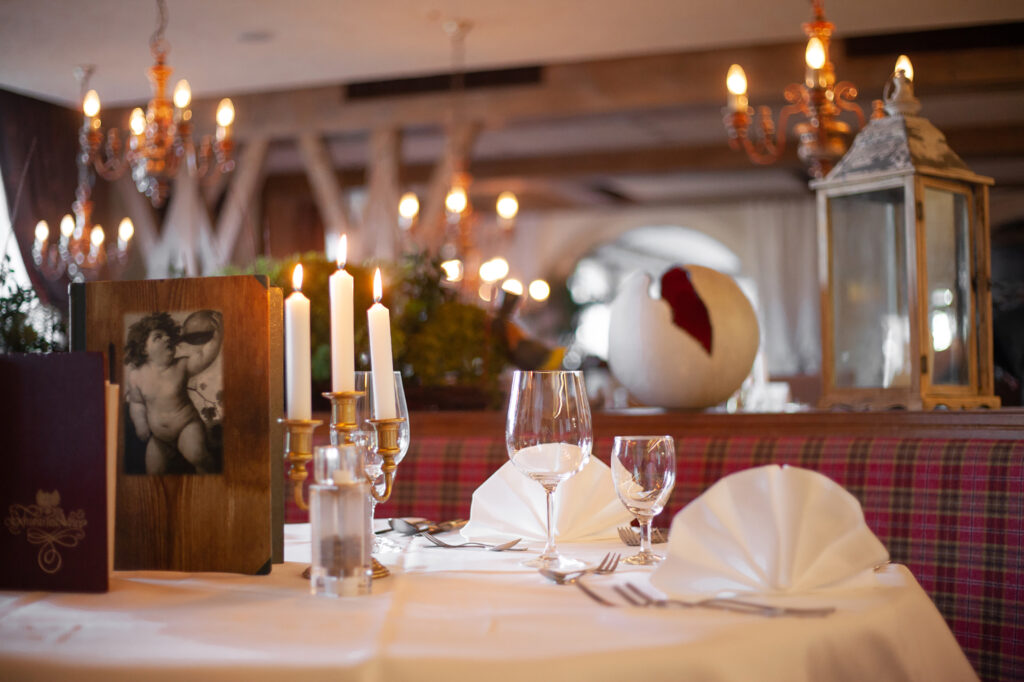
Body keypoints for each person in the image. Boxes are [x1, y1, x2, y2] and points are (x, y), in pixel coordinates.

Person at [123, 310, 223, 474]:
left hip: (186, 426)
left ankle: (210, 476)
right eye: (158, 337)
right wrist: (140, 423)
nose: (167, 338)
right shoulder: (137, 376)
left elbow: (204, 356)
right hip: (160, 438)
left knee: (197, 454)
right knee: (153, 471)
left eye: (168, 335)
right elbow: (136, 402)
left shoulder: (181, 366)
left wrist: (217, 339)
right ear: (143, 349)